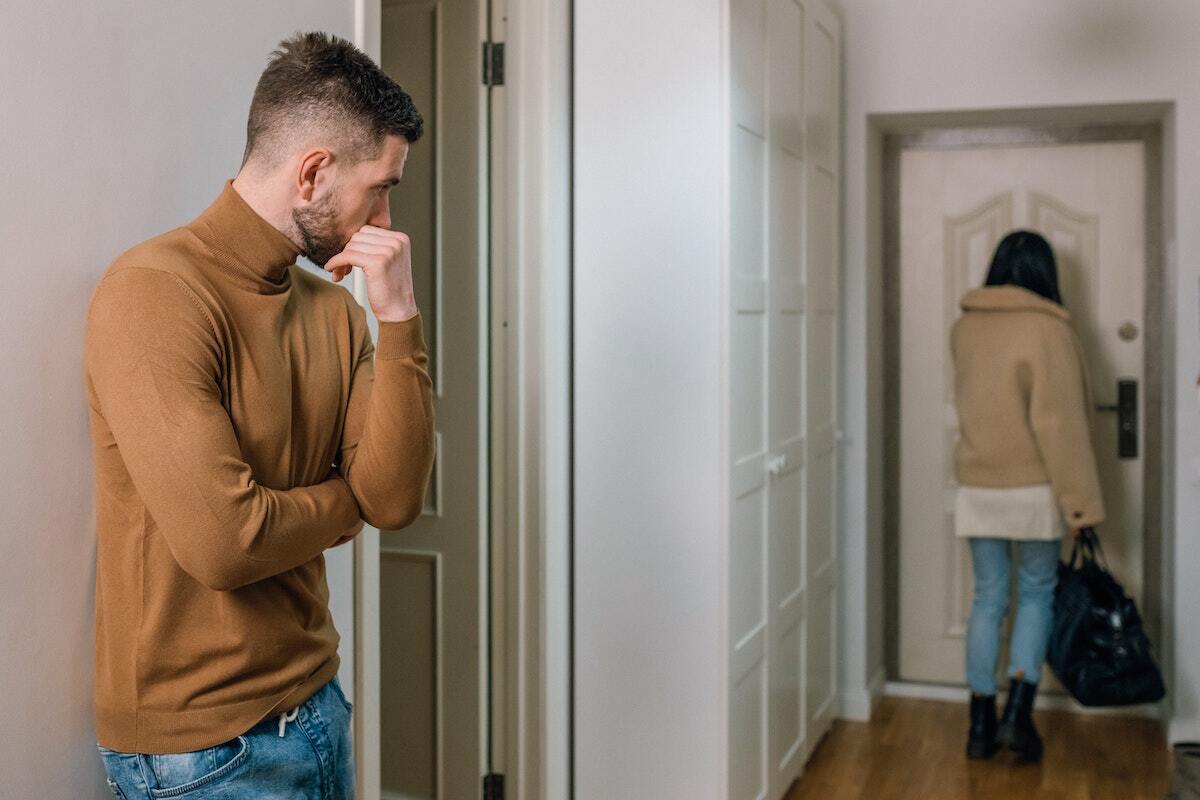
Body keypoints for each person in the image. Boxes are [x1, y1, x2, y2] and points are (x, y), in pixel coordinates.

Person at [84, 32, 434, 798]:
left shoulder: (334, 311)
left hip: (317, 706)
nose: (385, 218)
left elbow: (397, 499)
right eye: (379, 187)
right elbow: (225, 542)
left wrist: (399, 314)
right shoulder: (155, 291)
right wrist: (344, 504)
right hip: (206, 752)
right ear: (313, 172)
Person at [951, 230, 1105, 763]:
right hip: (1035, 489)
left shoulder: (964, 328)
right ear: (1044, 273)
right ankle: (1017, 717)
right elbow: (1059, 427)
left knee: (988, 599)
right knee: (1035, 595)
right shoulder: (1048, 331)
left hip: (977, 484)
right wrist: (1080, 506)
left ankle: (977, 728)